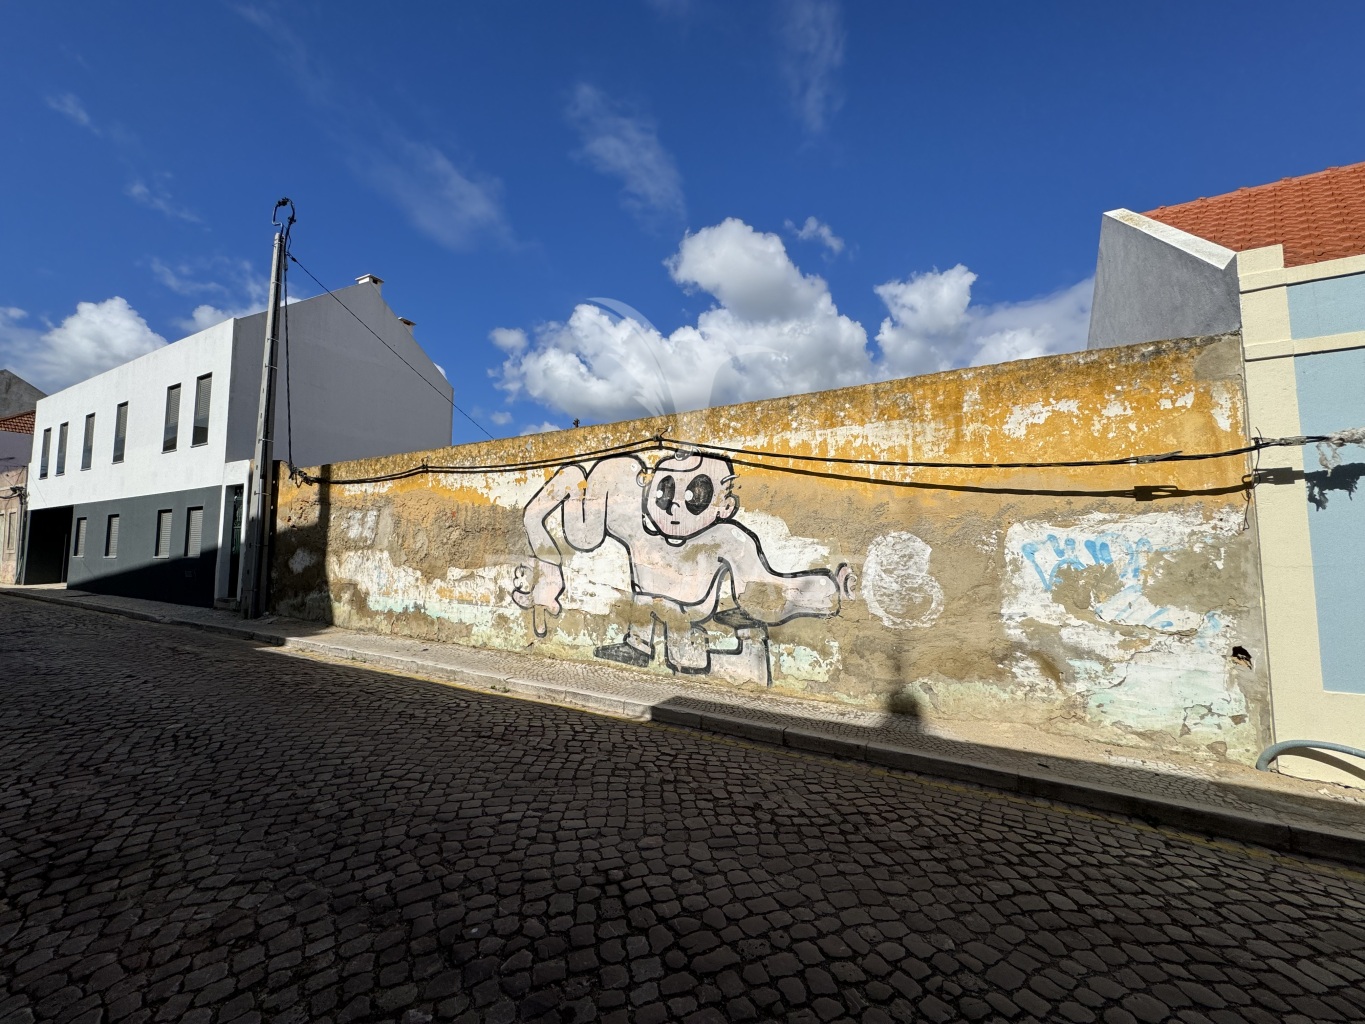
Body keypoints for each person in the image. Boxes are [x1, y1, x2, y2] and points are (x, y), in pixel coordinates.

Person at [512, 449, 854, 675]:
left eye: (695, 496)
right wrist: (548, 563)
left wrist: (831, 590)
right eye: (664, 491)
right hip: (652, 618)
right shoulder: (639, 529)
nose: (674, 506)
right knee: (652, 607)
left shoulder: (727, 539)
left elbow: (772, 588)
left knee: (682, 646)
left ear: (725, 506)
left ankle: (696, 654)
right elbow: (553, 502)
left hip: (689, 616)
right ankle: (638, 645)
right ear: (650, 493)